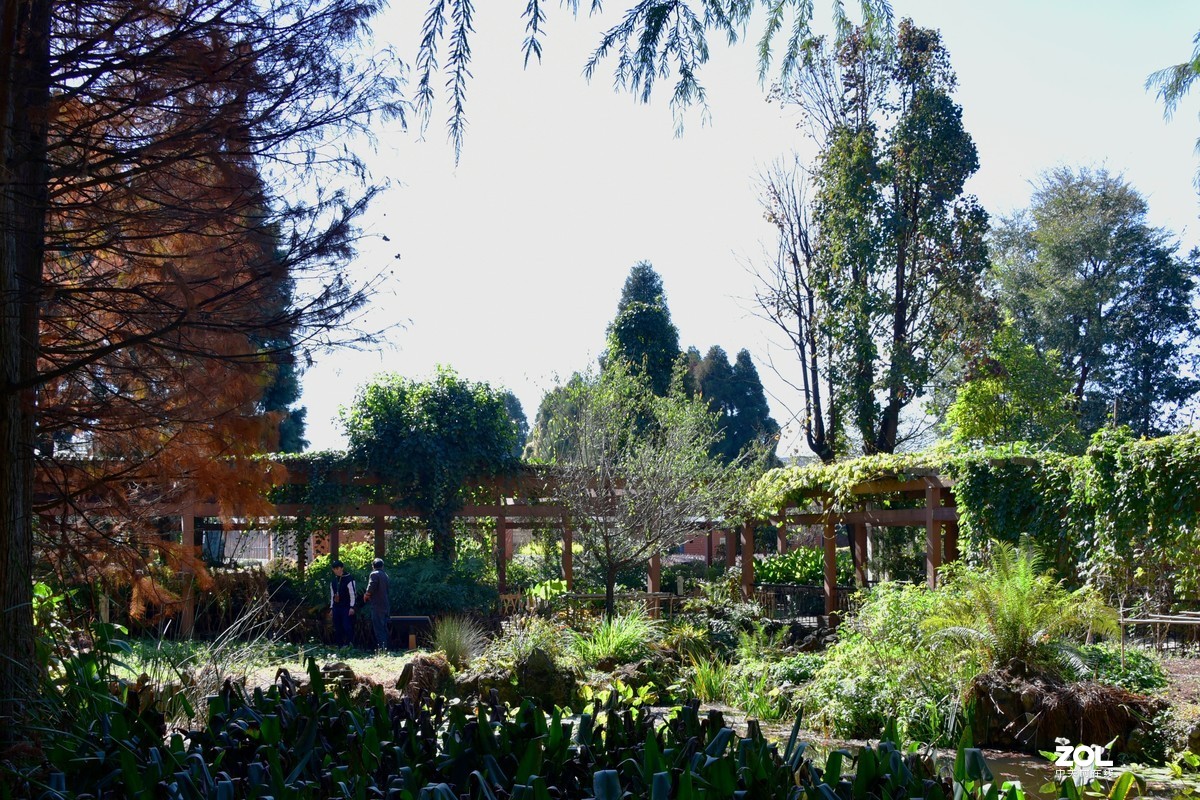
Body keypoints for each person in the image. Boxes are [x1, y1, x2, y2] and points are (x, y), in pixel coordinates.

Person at [362, 558, 391, 651]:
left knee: (378, 628)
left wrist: (366, 595)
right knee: (384, 628)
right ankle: (387, 648)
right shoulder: (385, 575)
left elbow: (371, 587)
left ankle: (382, 650)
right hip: (385, 605)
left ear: (373, 566)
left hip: (377, 605)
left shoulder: (374, 574)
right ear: (382, 566)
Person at [328, 560, 357, 647]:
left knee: (347, 626)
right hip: (337, 607)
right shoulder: (333, 581)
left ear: (342, 568)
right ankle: (339, 645)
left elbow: (353, 594)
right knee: (337, 626)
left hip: (346, 607)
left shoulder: (349, 579)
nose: (336, 571)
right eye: (334, 569)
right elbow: (332, 595)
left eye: (338, 568)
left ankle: (349, 644)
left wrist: (352, 607)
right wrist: (332, 608)